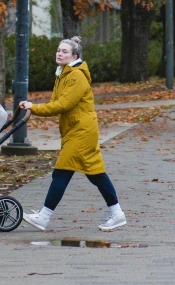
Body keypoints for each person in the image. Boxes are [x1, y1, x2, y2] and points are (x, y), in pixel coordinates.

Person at [19, 36, 126, 232]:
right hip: (75, 130)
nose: (59, 53)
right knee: (96, 174)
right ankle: (117, 214)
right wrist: (33, 106)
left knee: (61, 171)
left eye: (64, 51)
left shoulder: (76, 76)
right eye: (58, 50)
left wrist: (33, 107)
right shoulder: (63, 74)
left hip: (81, 132)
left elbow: (62, 105)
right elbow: (56, 103)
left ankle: (44, 217)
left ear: (74, 55)